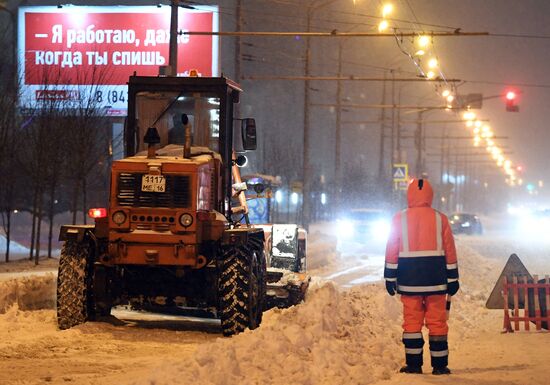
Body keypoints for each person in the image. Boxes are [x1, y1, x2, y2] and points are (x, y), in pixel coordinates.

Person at [384, 178, 459, 375]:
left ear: (409, 195)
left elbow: (392, 247)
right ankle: (440, 365)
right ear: (430, 195)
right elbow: (449, 249)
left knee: (411, 323)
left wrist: (390, 276)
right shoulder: (440, 218)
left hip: (409, 281)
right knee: (437, 322)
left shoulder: (398, 219)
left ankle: (414, 364)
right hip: (436, 280)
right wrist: (453, 278)